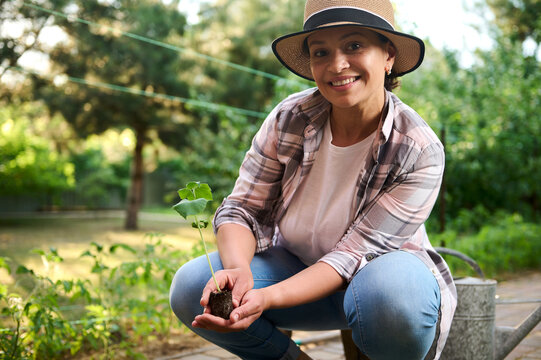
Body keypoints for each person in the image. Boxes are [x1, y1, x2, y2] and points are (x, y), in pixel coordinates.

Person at [169, 0, 457, 359]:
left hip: (377, 290)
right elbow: (243, 209)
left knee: (391, 298)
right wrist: (239, 270)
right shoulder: (290, 117)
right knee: (191, 287)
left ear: (388, 55)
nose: (337, 65)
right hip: (292, 270)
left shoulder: (417, 148)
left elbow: (351, 257)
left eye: (354, 46)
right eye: (321, 52)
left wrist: (266, 297)